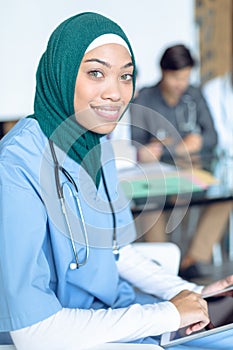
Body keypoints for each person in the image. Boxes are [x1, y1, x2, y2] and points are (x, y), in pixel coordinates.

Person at [1, 12, 233, 350]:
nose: (116, 93)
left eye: (126, 76)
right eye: (96, 73)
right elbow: (33, 331)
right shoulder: (15, 167)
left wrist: (190, 294)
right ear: (61, 74)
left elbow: (115, 252)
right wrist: (167, 315)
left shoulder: (96, 144)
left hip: (120, 313)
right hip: (73, 336)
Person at [130, 44, 232, 279]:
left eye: (186, 77)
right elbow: (134, 144)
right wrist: (143, 152)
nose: (181, 84)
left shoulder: (194, 95)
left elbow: (212, 136)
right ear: (163, 72)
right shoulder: (145, 98)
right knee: (152, 203)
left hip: (192, 173)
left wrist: (199, 140)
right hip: (157, 177)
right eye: (176, 77)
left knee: (224, 198)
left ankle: (192, 259)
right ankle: (162, 270)